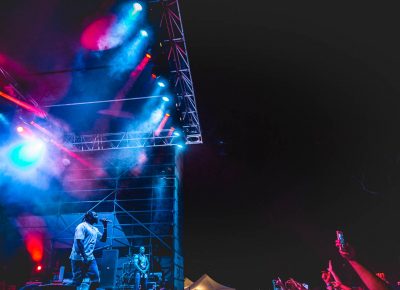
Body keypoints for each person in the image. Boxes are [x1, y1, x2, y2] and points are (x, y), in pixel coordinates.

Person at [69, 211, 108, 290]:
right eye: (95, 215)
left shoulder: (94, 229)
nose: (97, 216)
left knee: (96, 281)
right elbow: (79, 242)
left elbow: (103, 239)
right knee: (76, 282)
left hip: (90, 258)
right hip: (79, 258)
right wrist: (84, 257)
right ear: (89, 217)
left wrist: (105, 226)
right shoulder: (82, 226)